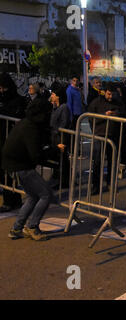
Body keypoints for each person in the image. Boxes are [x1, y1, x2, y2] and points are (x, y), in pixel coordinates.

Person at [3, 98, 65, 241]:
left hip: (15, 165)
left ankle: (17, 228)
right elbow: (36, 154)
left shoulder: (27, 123)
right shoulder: (31, 128)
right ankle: (32, 227)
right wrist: (54, 150)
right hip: (21, 166)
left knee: (32, 197)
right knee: (46, 195)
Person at [88, 83, 126, 195]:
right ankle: (96, 186)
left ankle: (110, 183)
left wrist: (117, 114)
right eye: (109, 94)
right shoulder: (96, 102)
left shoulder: (118, 102)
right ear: (105, 92)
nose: (110, 97)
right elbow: (91, 117)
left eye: (112, 94)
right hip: (100, 134)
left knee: (112, 161)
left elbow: (124, 113)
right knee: (97, 161)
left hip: (113, 134)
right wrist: (104, 115)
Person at [0, 72, 26, 213]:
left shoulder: (17, 100)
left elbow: (17, 116)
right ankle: (11, 198)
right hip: (3, 139)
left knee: (9, 172)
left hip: (10, 140)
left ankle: (11, 200)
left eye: (3, 88)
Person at [49, 83, 71, 188]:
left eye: (53, 94)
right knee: (58, 160)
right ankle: (59, 179)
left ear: (58, 96)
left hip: (60, 138)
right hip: (55, 138)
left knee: (63, 160)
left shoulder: (64, 107)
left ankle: (64, 181)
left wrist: (60, 137)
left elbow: (64, 123)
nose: (51, 96)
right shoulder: (55, 107)